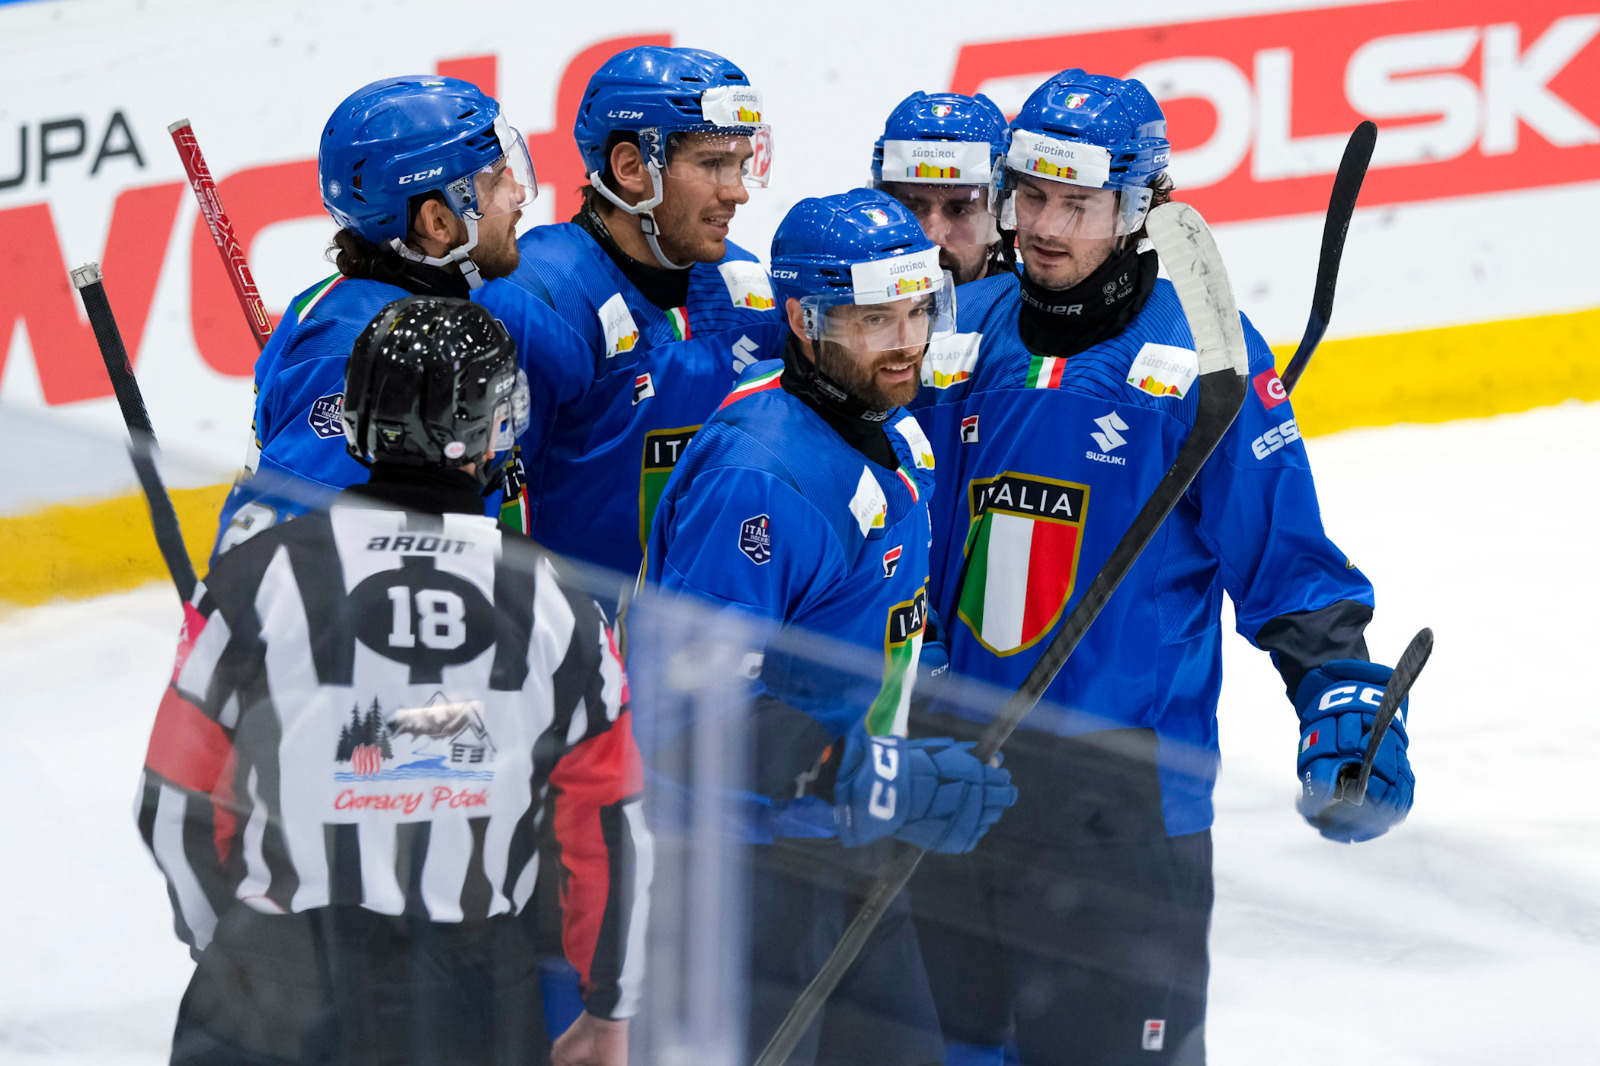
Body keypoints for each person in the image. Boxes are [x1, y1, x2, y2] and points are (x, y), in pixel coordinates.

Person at [905, 70, 1416, 1065]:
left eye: (1075, 203)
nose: (1042, 226)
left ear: (1138, 207)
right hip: (954, 779)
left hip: (1124, 806)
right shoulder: (963, 327)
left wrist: (1339, 694)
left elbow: (1287, 561)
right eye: (1029, 195)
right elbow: (908, 525)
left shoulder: (1207, 358)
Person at [137, 296, 647, 1066]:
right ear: (491, 428)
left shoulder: (257, 577)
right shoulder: (556, 603)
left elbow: (174, 799)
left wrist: (234, 948)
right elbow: (605, 822)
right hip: (466, 998)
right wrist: (609, 1003)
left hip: (275, 978)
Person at [643, 188, 1017, 1066]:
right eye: (875, 319)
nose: (907, 340)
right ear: (804, 323)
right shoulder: (759, 477)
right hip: (745, 874)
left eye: (917, 310)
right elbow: (691, 712)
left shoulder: (894, 431)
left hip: (846, 841)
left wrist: (912, 721)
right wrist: (868, 773)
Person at [209, 74, 573, 555]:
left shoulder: (426, 310)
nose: (519, 193)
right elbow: (285, 559)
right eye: (495, 180)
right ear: (438, 222)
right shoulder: (359, 351)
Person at [503, 45, 788, 578]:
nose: (738, 193)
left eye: (741, 164)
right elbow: (478, 504)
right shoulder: (539, 297)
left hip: (691, 625)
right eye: (712, 164)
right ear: (632, 168)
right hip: (557, 622)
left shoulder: (748, 290)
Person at [870, 91, 1013, 287]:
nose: (933, 238)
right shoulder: (847, 299)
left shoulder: (1020, 304)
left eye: (958, 211)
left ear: (997, 219)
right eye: (912, 209)